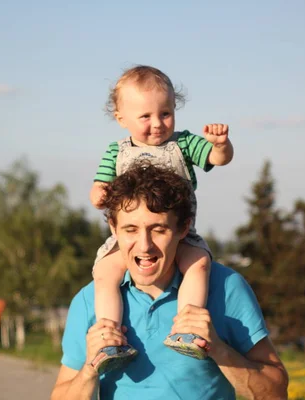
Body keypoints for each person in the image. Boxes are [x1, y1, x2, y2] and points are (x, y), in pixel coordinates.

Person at [51, 162, 289, 400]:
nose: (144, 246)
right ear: (114, 229)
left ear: (184, 228)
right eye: (130, 229)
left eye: (158, 229)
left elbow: (275, 393)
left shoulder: (226, 287)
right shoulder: (88, 299)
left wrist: (217, 348)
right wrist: (90, 369)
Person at [89, 65, 235, 371]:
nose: (157, 124)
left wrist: (220, 145)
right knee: (104, 273)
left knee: (198, 264)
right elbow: (98, 188)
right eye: (145, 117)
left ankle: (187, 326)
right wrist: (101, 195)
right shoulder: (115, 152)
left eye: (165, 114)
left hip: (179, 235)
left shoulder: (182, 144)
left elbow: (217, 159)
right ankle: (110, 338)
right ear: (121, 118)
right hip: (129, 239)